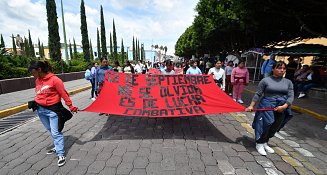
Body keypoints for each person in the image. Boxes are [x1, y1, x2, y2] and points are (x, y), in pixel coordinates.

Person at [28, 60, 78, 167]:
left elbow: (64, 94)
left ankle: (61, 154)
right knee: (50, 130)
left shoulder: (55, 80)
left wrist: (71, 106)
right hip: (40, 110)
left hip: (53, 111)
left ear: (39, 70)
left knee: (56, 132)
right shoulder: (37, 80)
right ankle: (57, 145)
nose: (31, 73)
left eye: (32, 71)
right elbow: (40, 93)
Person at [246, 61, 294, 156]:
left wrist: (284, 106)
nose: (282, 70)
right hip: (267, 105)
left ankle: (265, 142)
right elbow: (258, 94)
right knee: (265, 124)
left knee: (275, 126)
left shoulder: (288, 82)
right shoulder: (265, 81)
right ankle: (259, 143)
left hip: (282, 106)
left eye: (284, 68)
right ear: (273, 69)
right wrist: (251, 106)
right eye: (279, 68)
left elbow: (291, 96)